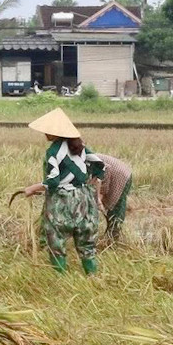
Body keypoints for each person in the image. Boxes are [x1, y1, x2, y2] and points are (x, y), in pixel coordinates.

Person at [17, 107, 105, 275]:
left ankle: (60, 277)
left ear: (56, 132)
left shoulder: (53, 151)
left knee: (56, 238)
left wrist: (32, 188)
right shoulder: (81, 148)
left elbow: (53, 181)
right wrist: (90, 180)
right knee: (86, 239)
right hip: (83, 199)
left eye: (48, 130)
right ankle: (92, 276)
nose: (45, 134)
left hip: (62, 201)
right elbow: (100, 165)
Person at [96, 152, 133, 245]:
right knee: (106, 207)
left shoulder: (87, 161)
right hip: (111, 175)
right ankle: (109, 236)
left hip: (121, 176)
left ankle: (113, 240)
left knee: (116, 208)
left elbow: (105, 170)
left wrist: (100, 195)